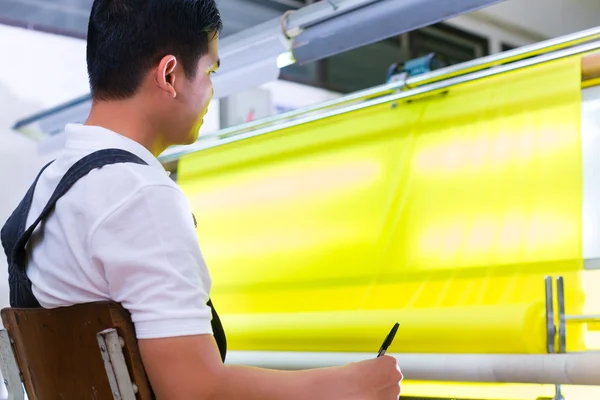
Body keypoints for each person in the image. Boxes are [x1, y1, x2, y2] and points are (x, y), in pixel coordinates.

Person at [2, 0, 403, 399]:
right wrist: (350, 387)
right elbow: (197, 390)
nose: (212, 90)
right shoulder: (138, 193)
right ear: (170, 74)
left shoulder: (48, 188)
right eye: (210, 71)